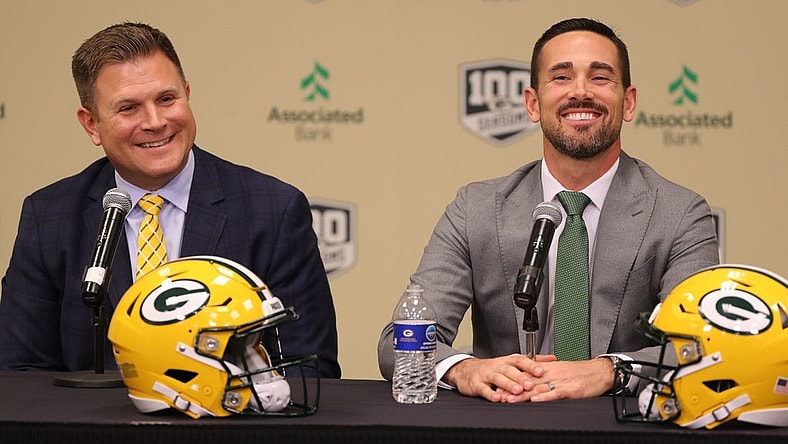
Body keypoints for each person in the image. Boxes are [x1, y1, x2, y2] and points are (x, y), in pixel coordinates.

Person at [377, 17, 718, 402]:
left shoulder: (680, 213)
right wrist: (464, 369)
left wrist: (611, 370)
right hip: (505, 422)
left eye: (601, 77)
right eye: (561, 77)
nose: (581, 92)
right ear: (533, 104)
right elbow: (399, 342)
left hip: (621, 425)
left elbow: (700, 345)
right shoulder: (475, 209)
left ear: (629, 102)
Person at [0, 22, 341, 378]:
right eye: (129, 108)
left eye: (167, 99)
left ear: (188, 94)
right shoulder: (49, 217)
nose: (155, 121)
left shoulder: (273, 211)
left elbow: (310, 370)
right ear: (91, 125)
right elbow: (21, 374)